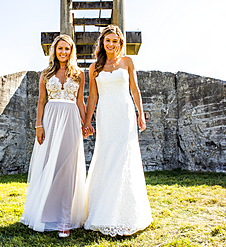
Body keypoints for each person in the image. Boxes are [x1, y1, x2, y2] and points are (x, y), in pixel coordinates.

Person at [82, 25, 153, 237]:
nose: (111, 44)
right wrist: (87, 121)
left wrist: (140, 113)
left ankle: (126, 213)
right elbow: (92, 96)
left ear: (120, 43)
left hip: (124, 113)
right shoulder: (94, 67)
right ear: (102, 43)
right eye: (107, 41)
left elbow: (135, 89)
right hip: (105, 114)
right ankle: (103, 211)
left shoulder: (128, 62)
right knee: (107, 156)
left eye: (115, 41)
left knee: (124, 158)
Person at [19, 34, 86, 238]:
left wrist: (87, 123)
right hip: (51, 120)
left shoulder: (79, 74)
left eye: (67, 49)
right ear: (54, 51)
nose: (63, 52)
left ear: (71, 51)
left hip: (72, 121)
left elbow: (80, 101)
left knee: (68, 169)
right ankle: (45, 214)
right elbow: (41, 101)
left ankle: (64, 220)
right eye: (60, 49)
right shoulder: (46, 73)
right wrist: (39, 126)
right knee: (50, 166)